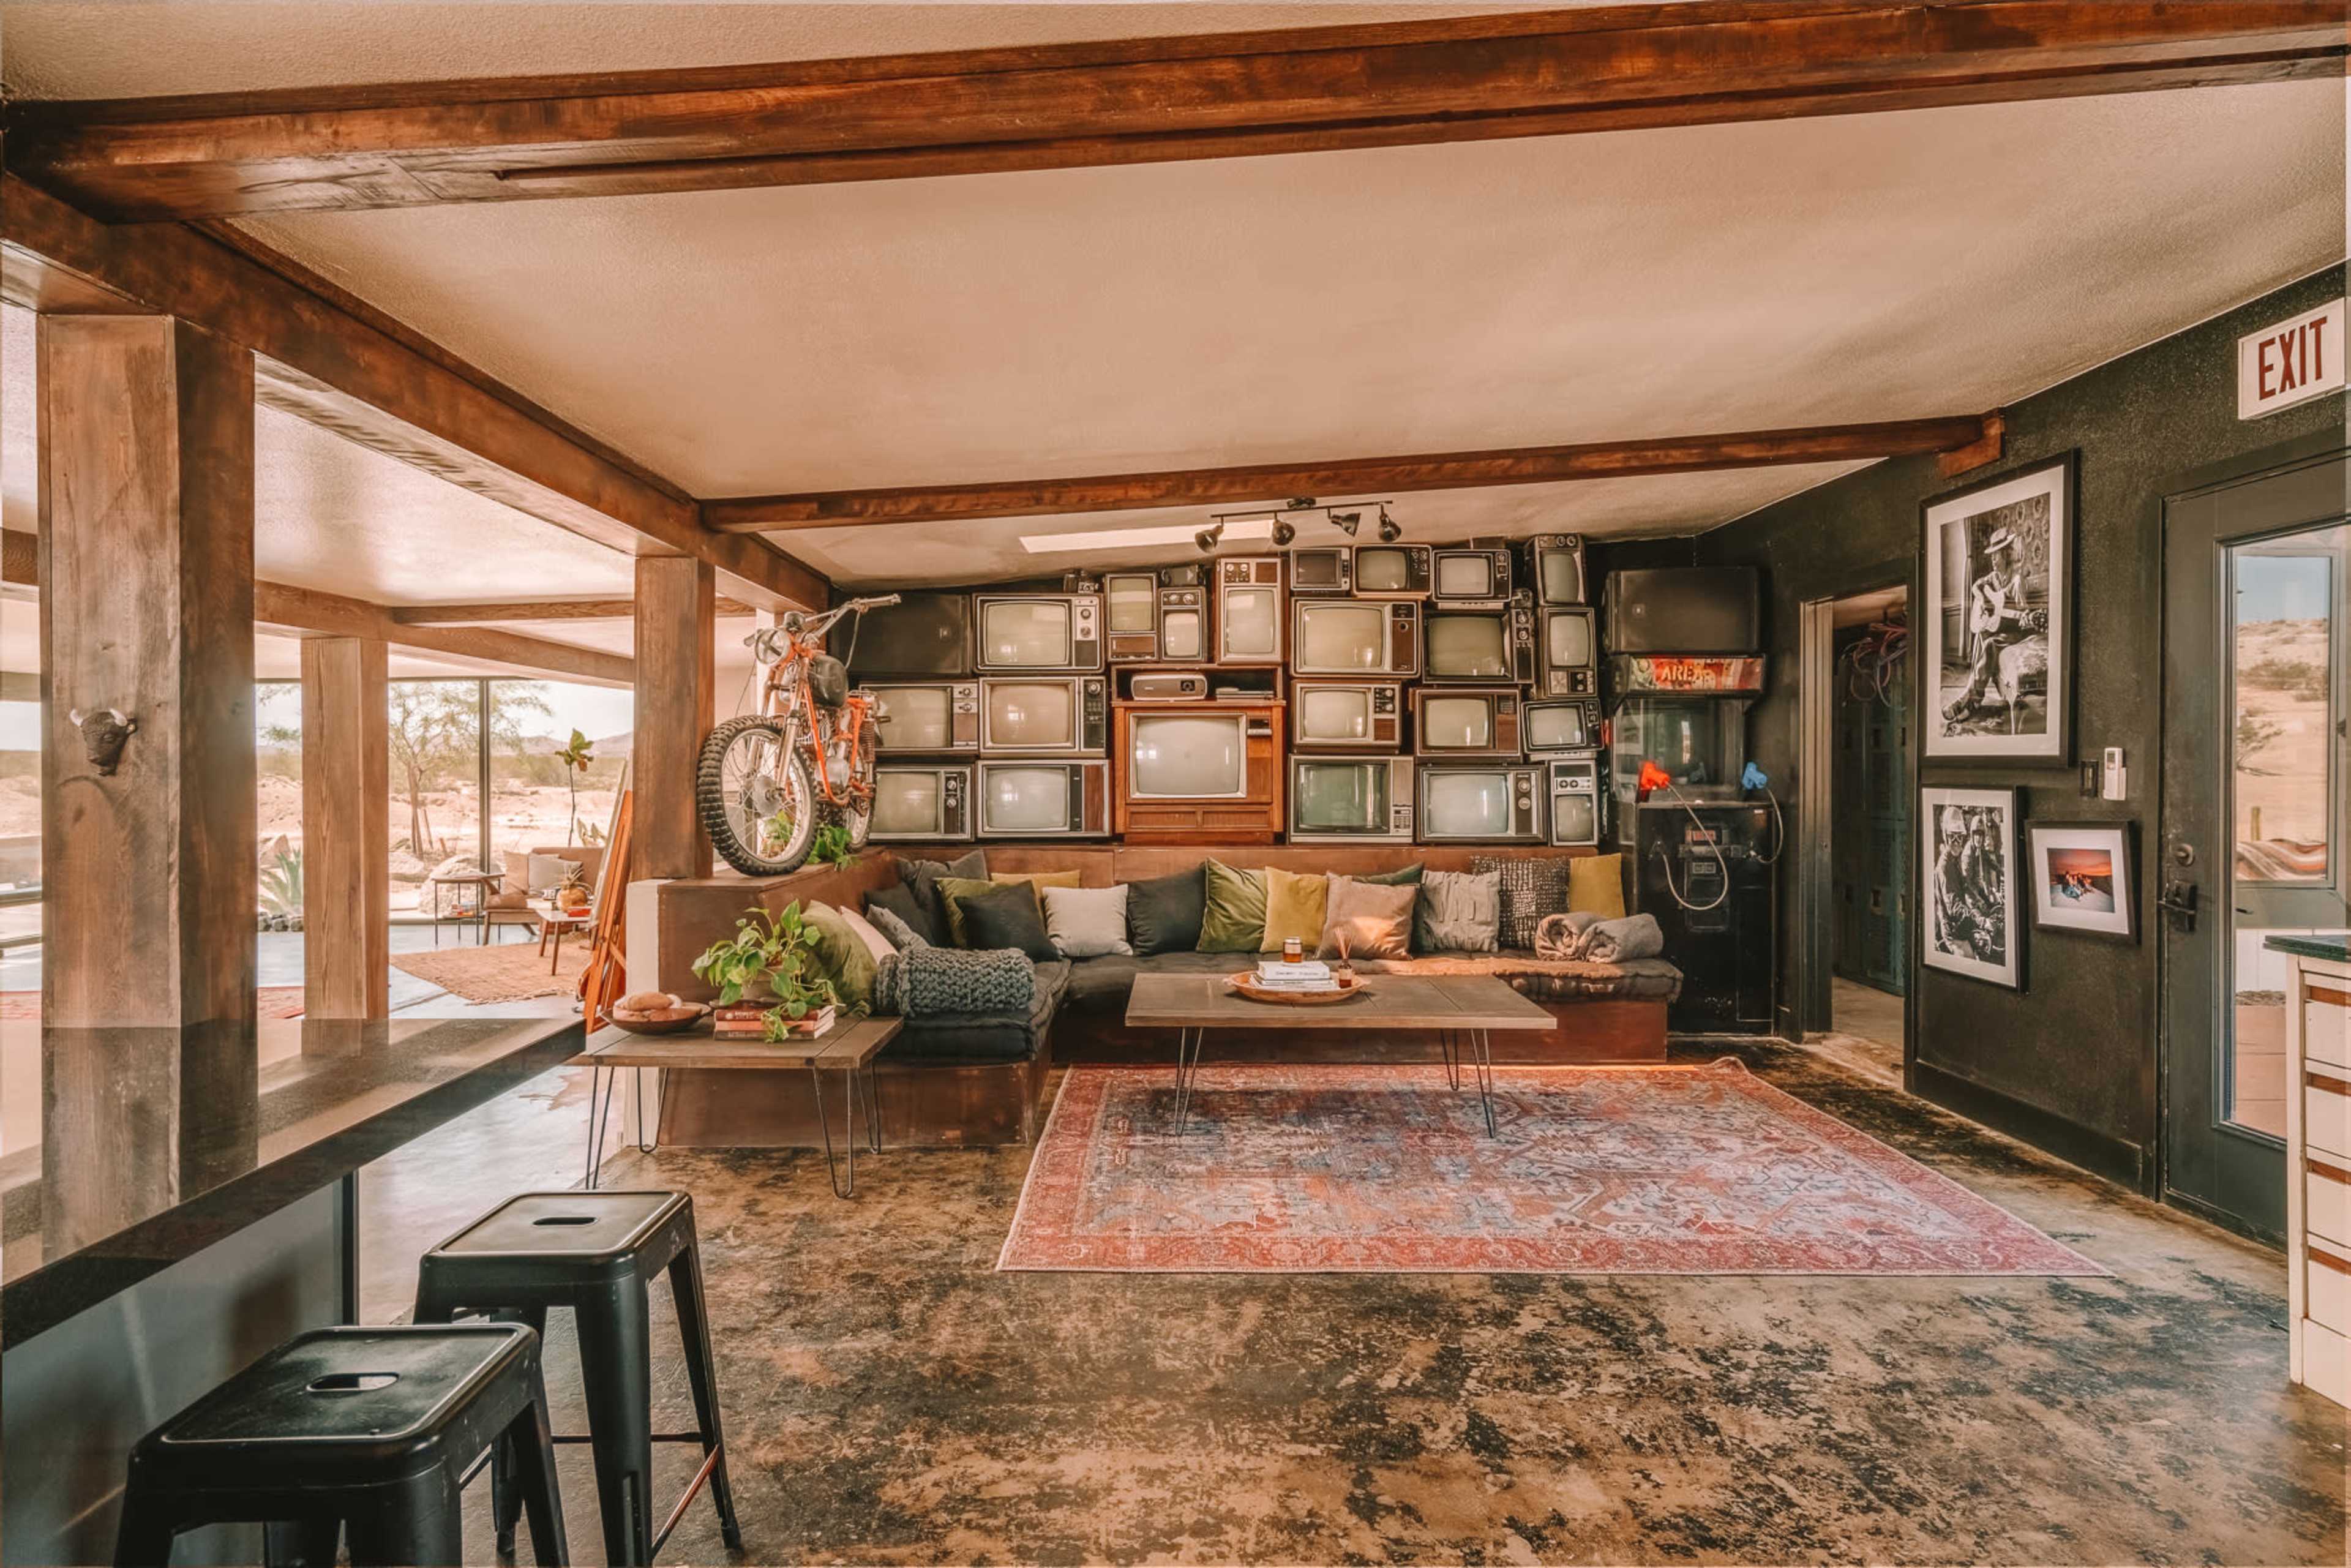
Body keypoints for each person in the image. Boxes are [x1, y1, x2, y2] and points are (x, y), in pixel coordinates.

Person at [1943, 526, 2046, 726]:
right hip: (2001, 629)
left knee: (1990, 643)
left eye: (1996, 555)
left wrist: (2027, 618)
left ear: (2006, 555)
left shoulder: (2017, 581)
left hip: (2019, 632)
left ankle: (1970, 701)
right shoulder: (1993, 578)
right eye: (1991, 556)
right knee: (1983, 633)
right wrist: (1982, 598)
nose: (1992, 559)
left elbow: (2025, 613)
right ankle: (1971, 696)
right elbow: (1975, 586)